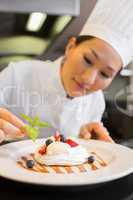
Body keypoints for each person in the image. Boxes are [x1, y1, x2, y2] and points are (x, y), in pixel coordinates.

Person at [0, 0, 133, 143]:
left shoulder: (96, 101)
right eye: (88, 60)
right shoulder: (17, 74)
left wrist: (89, 143)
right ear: (70, 47)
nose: (88, 79)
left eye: (105, 74)